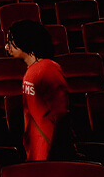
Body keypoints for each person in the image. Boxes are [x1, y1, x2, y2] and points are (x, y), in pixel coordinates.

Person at [5, 19, 73, 160]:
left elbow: (61, 114)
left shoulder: (49, 69)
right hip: (36, 152)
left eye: (11, 41)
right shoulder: (32, 71)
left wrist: (54, 153)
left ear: (25, 40)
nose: (6, 47)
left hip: (50, 155)